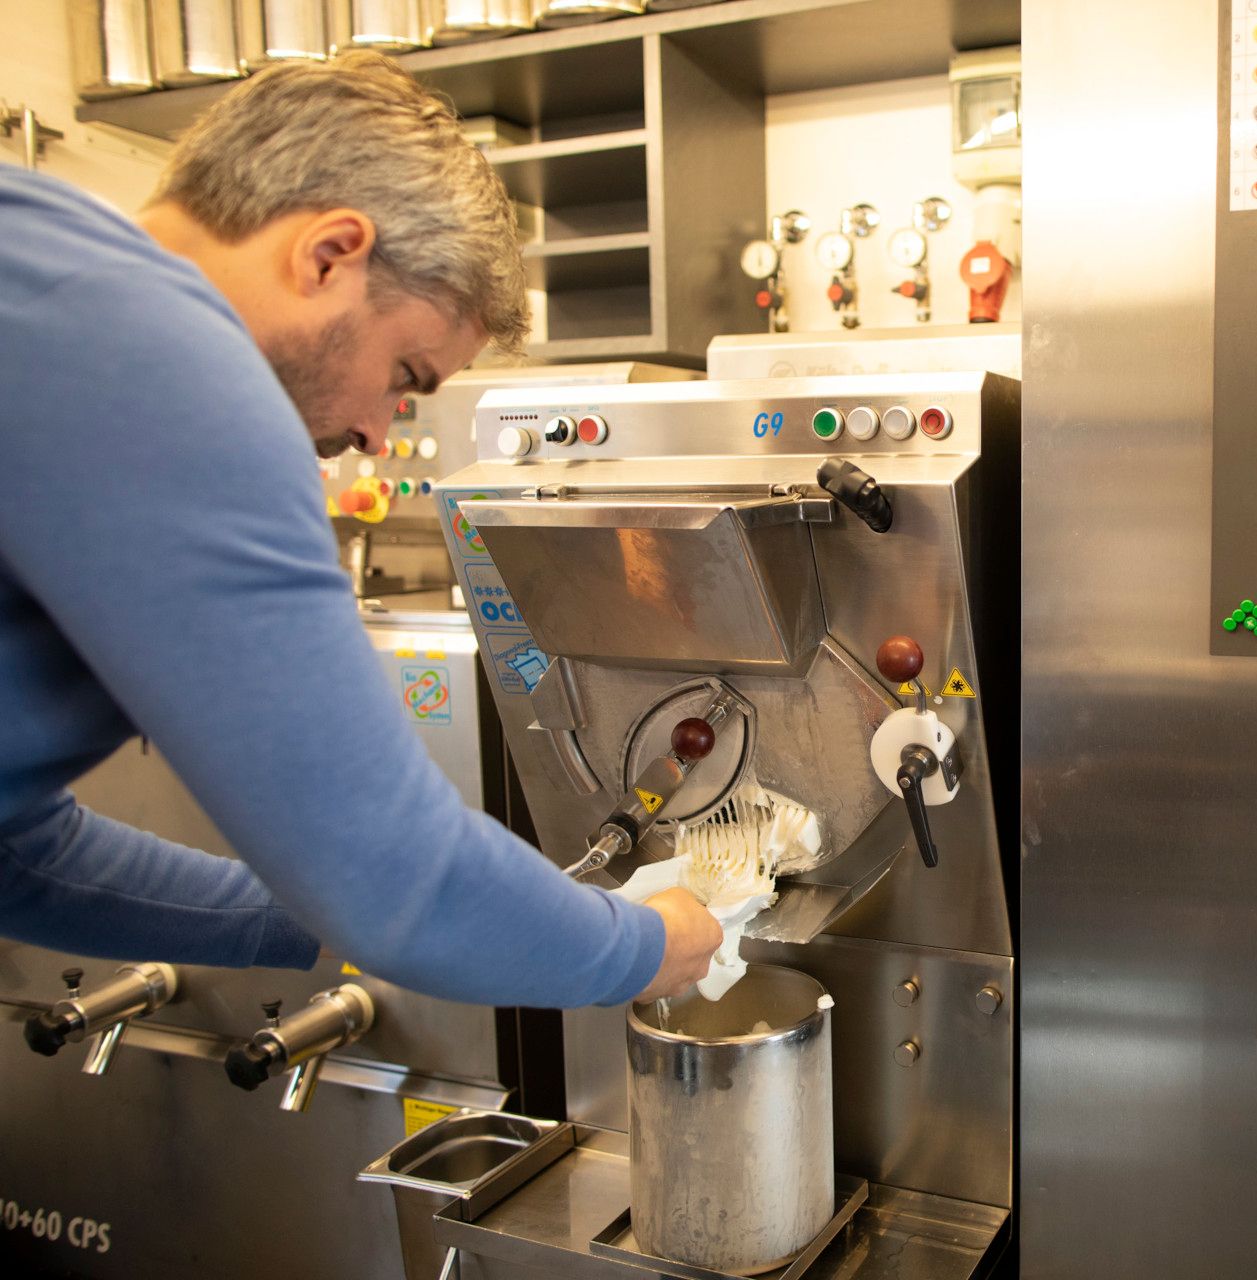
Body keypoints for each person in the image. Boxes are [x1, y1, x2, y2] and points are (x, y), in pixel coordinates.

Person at [0, 54, 722, 1007]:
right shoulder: (165, 364)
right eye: (405, 377)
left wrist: (313, 909)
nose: (375, 436)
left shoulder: (40, 247)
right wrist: (642, 945)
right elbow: (399, 877)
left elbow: (22, 850)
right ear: (329, 254)